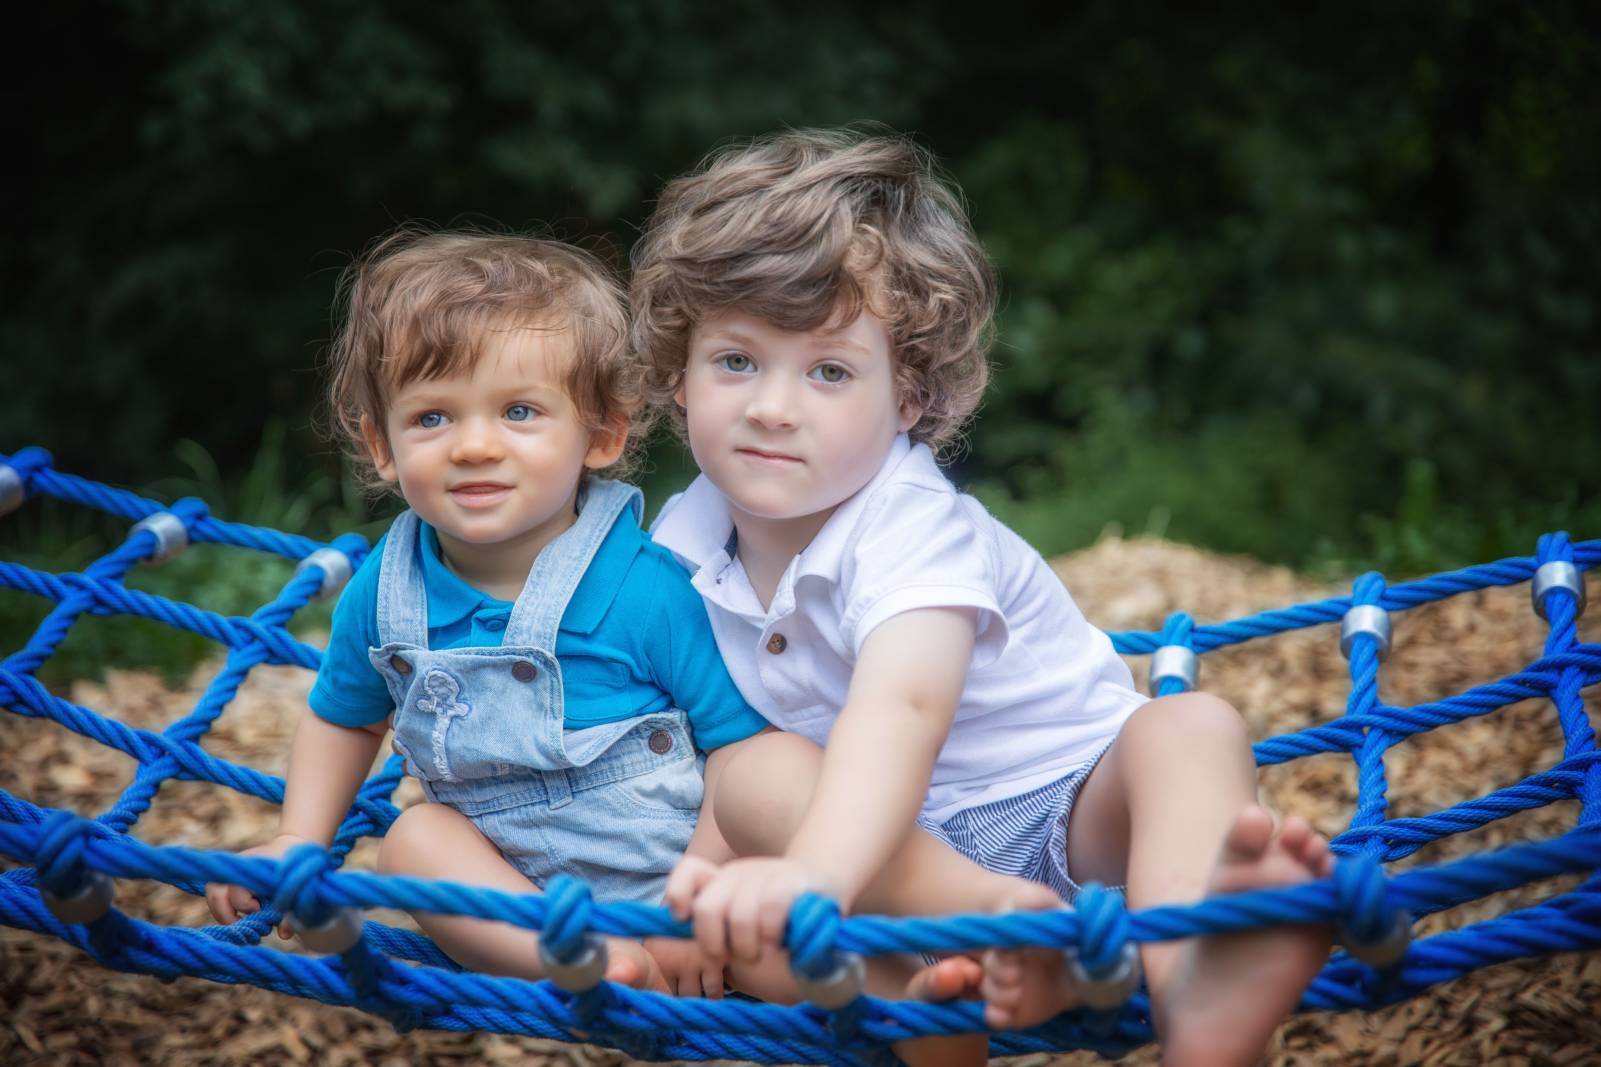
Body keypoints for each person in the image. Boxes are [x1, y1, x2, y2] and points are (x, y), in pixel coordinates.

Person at [632, 127, 1337, 1065]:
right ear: (679, 373)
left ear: (911, 395)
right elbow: (708, 737)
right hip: (892, 881)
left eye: (829, 371)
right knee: (752, 792)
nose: (771, 405)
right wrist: (695, 886)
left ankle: (1191, 981)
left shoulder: (911, 526)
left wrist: (809, 877)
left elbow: (903, 710)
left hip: (1074, 815)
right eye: (736, 361)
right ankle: (941, 1001)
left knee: (1189, 727)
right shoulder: (675, 546)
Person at [205, 229, 766, 997]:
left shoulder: (645, 587)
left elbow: (740, 752)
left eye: (519, 411)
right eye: (432, 417)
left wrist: (701, 895)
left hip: (688, 881)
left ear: (599, 434)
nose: (473, 446)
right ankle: (587, 963)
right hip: (516, 889)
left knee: (817, 970)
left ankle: (924, 990)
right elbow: (345, 716)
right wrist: (298, 839)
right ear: (381, 445)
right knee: (411, 841)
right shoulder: (385, 588)